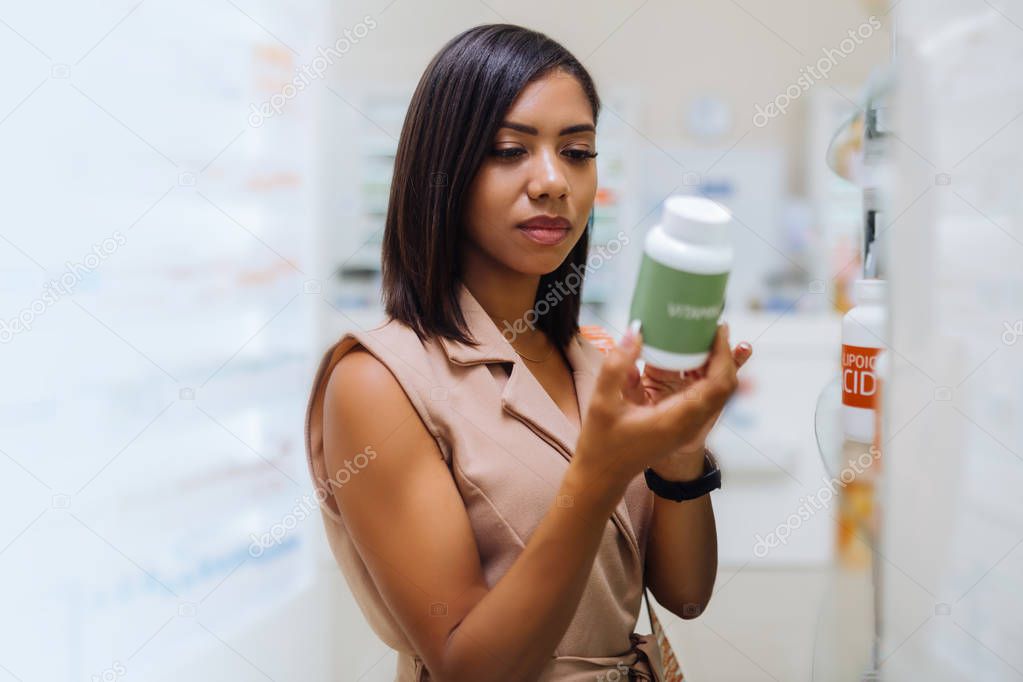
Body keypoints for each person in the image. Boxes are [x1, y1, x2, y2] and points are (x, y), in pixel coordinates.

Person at [303, 23, 752, 681]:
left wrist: (681, 454)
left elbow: (684, 596)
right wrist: (598, 474)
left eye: (576, 151)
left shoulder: (594, 361)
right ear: (443, 169)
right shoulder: (378, 381)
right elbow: (468, 668)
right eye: (510, 150)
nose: (552, 182)